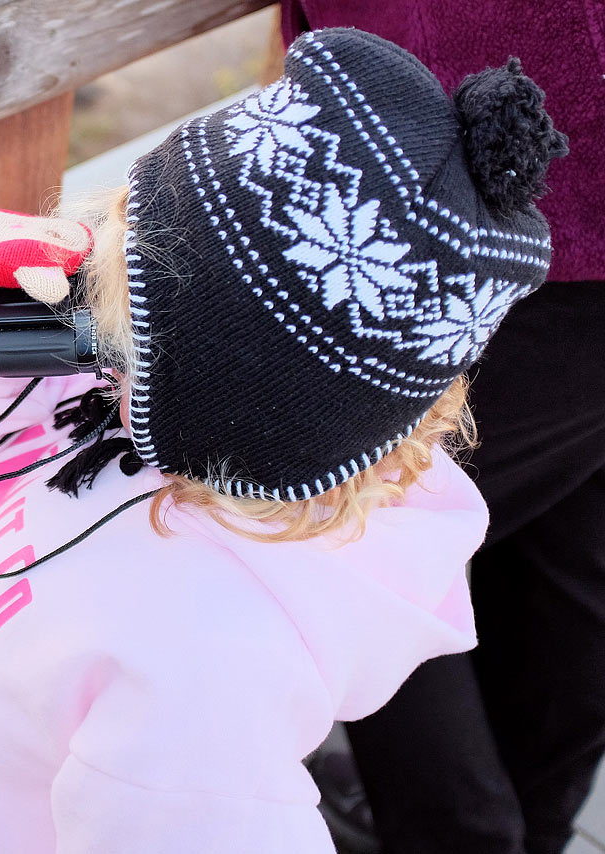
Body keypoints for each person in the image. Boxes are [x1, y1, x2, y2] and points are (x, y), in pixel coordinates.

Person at [0, 28, 565, 853]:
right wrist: (1, 330)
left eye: (122, 262)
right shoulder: (98, 411)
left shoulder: (205, 683)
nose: (92, 265)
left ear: (219, 367)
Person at [275, 6, 603, 854]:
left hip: (476, 175)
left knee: (356, 519)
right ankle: (520, 829)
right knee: (569, 541)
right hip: (523, 161)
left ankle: (466, 834)